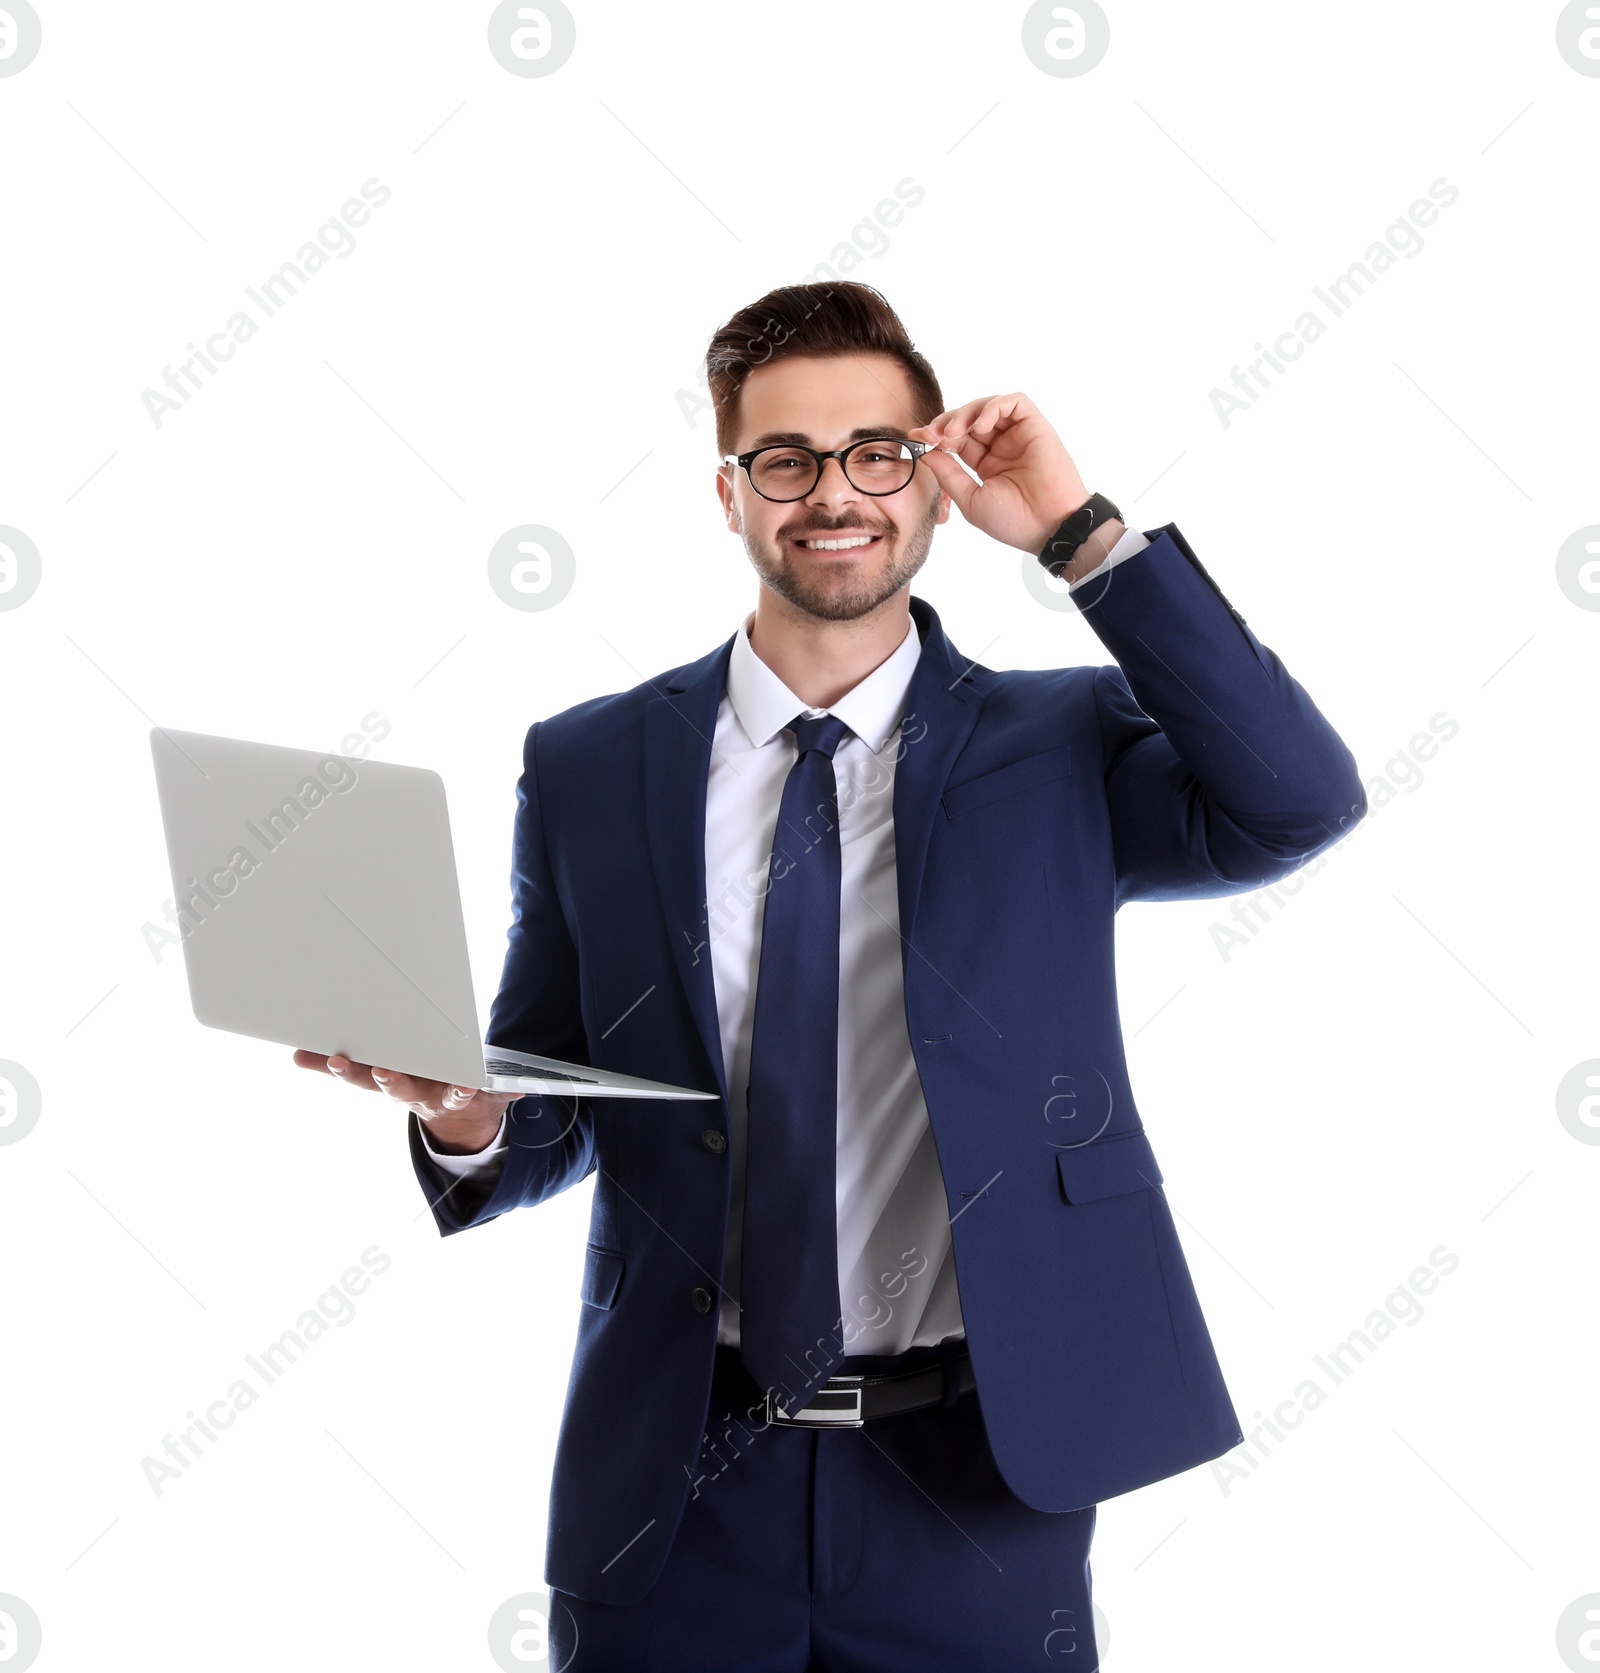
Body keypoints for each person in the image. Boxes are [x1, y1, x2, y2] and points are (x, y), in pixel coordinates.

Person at [296, 281, 1366, 1670]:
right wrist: (470, 1115)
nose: (834, 493)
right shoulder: (590, 761)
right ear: (729, 494)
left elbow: (1297, 800)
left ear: (928, 474)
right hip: (674, 1488)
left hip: (979, 1480)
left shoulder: (1060, 744)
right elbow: (560, 1080)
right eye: (785, 459)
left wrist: (1080, 535)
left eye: (876, 451)